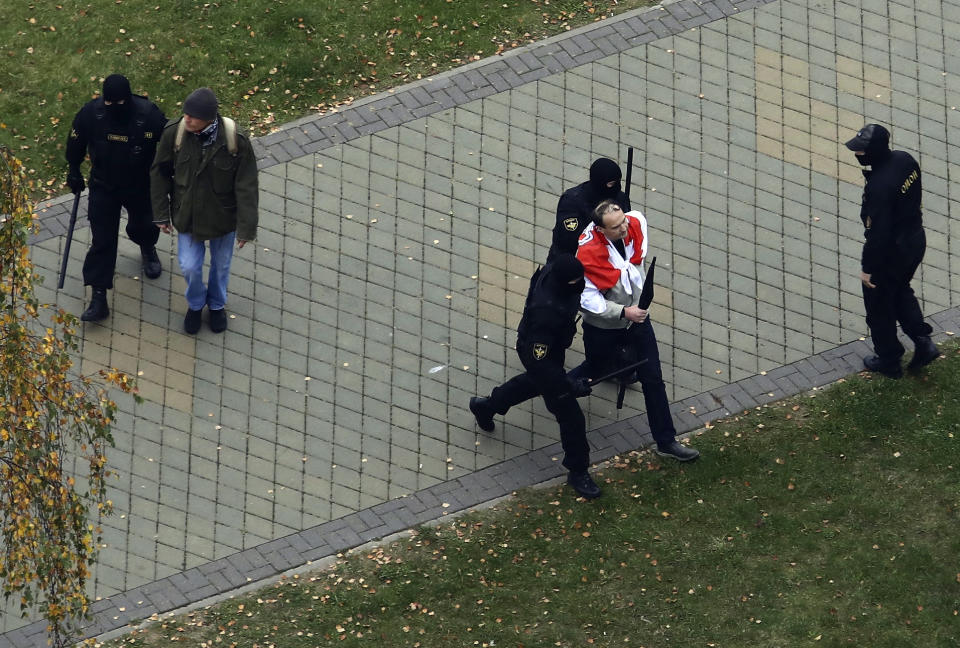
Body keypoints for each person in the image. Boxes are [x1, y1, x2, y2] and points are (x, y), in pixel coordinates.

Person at [575, 200, 699, 462]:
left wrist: (633, 313)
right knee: (591, 370)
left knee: (653, 379)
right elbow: (588, 301)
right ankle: (541, 390)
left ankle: (666, 440)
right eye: (616, 227)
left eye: (623, 221)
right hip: (605, 329)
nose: (624, 228)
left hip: (638, 322)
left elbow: (636, 225)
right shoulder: (587, 257)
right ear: (601, 231)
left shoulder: (633, 223)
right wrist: (623, 312)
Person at [469, 254, 599, 499]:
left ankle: (486, 406)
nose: (580, 283)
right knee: (570, 415)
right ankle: (578, 470)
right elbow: (541, 363)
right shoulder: (547, 312)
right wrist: (569, 383)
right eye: (575, 281)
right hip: (540, 353)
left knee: (532, 384)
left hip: (549, 348)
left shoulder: (556, 275)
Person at [150, 87, 259, 334]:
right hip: (187, 215)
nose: (186, 118)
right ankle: (196, 304)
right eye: (185, 113)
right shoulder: (174, 134)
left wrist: (246, 228)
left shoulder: (235, 140)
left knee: (221, 265)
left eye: (193, 116)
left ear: (209, 119)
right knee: (189, 266)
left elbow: (247, 185)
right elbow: (159, 173)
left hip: (223, 218)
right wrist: (160, 213)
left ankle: (217, 305)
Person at [65, 73, 167, 321]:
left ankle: (147, 247)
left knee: (143, 224)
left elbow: (168, 148)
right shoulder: (92, 113)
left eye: (118, 103)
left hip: (139, 184)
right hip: (104, 185)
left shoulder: (149, 116)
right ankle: (99, 298)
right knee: (102, 240)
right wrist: (74, 169)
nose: (112, 108)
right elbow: (75, 141)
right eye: (108, 103)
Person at [844, 124, 940, 379]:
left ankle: (888, 360)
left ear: (872, 151)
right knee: (898, 291)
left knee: (879, 307)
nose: (857, 154)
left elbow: (878, 236)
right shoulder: (904, 160)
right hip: (914, 241)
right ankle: (923, 341)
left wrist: (868, 270)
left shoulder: (879, 187)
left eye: (861, 151)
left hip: (890, 253)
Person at [547, 157, 631, 263]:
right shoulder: (571, 201)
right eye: (611, 183)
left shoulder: (620, 198)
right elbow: (572, 240)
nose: (617, 187)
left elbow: (627, 226)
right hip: (572, 263)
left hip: (612, 260)